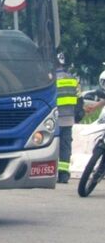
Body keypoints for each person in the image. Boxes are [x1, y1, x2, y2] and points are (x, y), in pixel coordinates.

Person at [54, 52, 79, 183]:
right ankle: (63, 175)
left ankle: (50, 173)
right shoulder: (72, 79)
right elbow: (79, 99)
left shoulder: (50, 79)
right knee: (65, 148)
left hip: (53, 119)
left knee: (51, 146)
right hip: (68, 119)